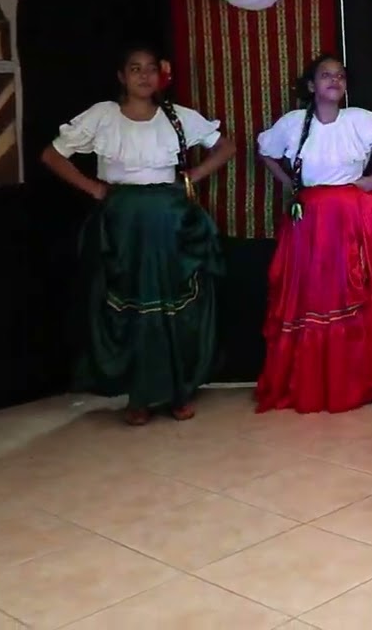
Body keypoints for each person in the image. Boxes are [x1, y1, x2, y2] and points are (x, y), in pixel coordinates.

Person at [41, 45, 236, 426]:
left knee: (176, 307)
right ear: (121, 76)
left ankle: (179, 393)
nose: (144, 76)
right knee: (131, 306)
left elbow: (226, 147)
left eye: (150, 69)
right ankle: (139, 397)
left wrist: (190, 179)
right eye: (135, 69)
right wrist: (95, 189)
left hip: (170, 221)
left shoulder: (176, 117)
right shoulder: (103, 116)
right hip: (123, 223)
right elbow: (52, 155)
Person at [254, 54, 372, 414]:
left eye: (340, 76)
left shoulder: (360, 120)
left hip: (356, 215)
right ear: (312, 86)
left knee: (369, 292)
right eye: (326, 76)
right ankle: (314, 381)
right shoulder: (295, 123)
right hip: (311, 220)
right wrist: (292, 185)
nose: (334, 81)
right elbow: (264, 150)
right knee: (314, 294)